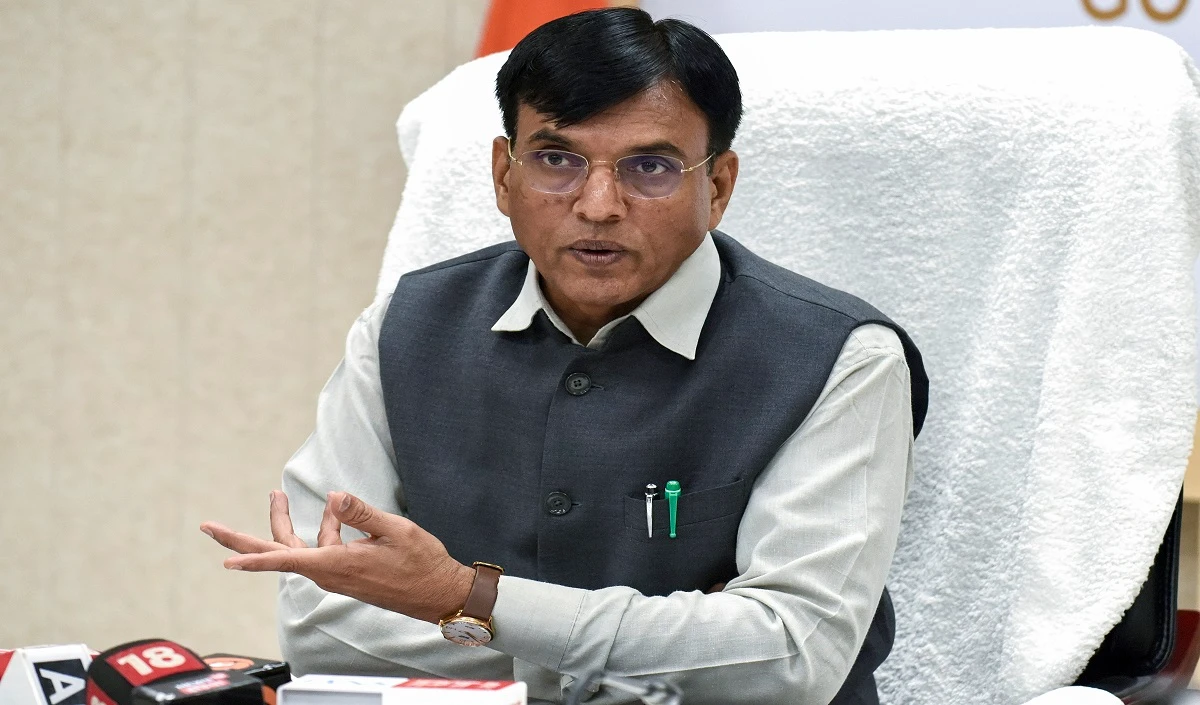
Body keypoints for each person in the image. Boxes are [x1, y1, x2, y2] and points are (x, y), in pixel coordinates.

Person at [202, 8, 928, 705]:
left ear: (718, 186)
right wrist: (679, 651)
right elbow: (323, 624)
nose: (599, 204)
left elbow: (790, 660)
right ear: (503, 175)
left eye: (650, 167)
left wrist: (462, 598)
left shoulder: (842, 359)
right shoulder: (406, 325)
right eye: (556, 159)